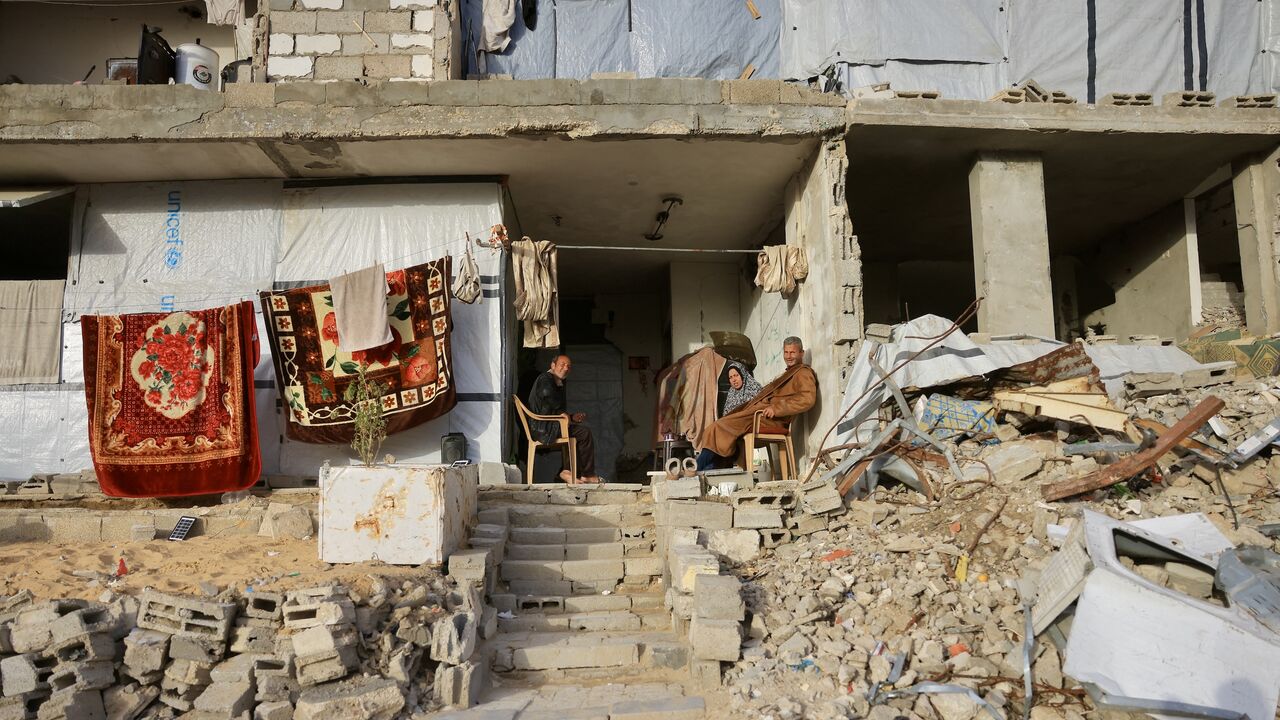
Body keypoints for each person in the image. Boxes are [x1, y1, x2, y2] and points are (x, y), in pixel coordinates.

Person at [696, 337, 817, 471]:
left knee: (718, 427)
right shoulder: (789, 372)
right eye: (786, 352)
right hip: (758, 415)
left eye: (792, 353)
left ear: (802, 353)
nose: (789, 356)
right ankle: (708, 468)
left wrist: (777, 409)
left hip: (768, 418)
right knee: (719, 429)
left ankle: (697, 467)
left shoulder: (803, 373)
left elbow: (807, 398)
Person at [528, 355, 600, 484]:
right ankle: (586, 474)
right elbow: (546, 393)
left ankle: (567, 471)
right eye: (562, 364)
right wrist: (563, 413)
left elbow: (553, 410)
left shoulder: (556, 382)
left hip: (548, 427)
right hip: (542, 429)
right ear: (553, 366)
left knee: (577, 433)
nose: (566, 368)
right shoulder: (546, 378)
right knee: (584, 433)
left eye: (568, 366)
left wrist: (571, 417)